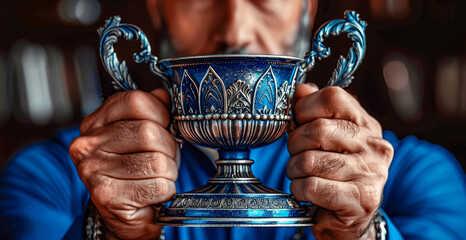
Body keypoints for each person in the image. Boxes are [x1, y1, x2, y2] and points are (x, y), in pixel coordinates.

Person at [1, 0, 465, 239]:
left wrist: (366, 232)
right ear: (159, 11)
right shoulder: (54, 174)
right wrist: (105, 232)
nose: (235, 30)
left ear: (308, 10)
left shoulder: (416, 174)